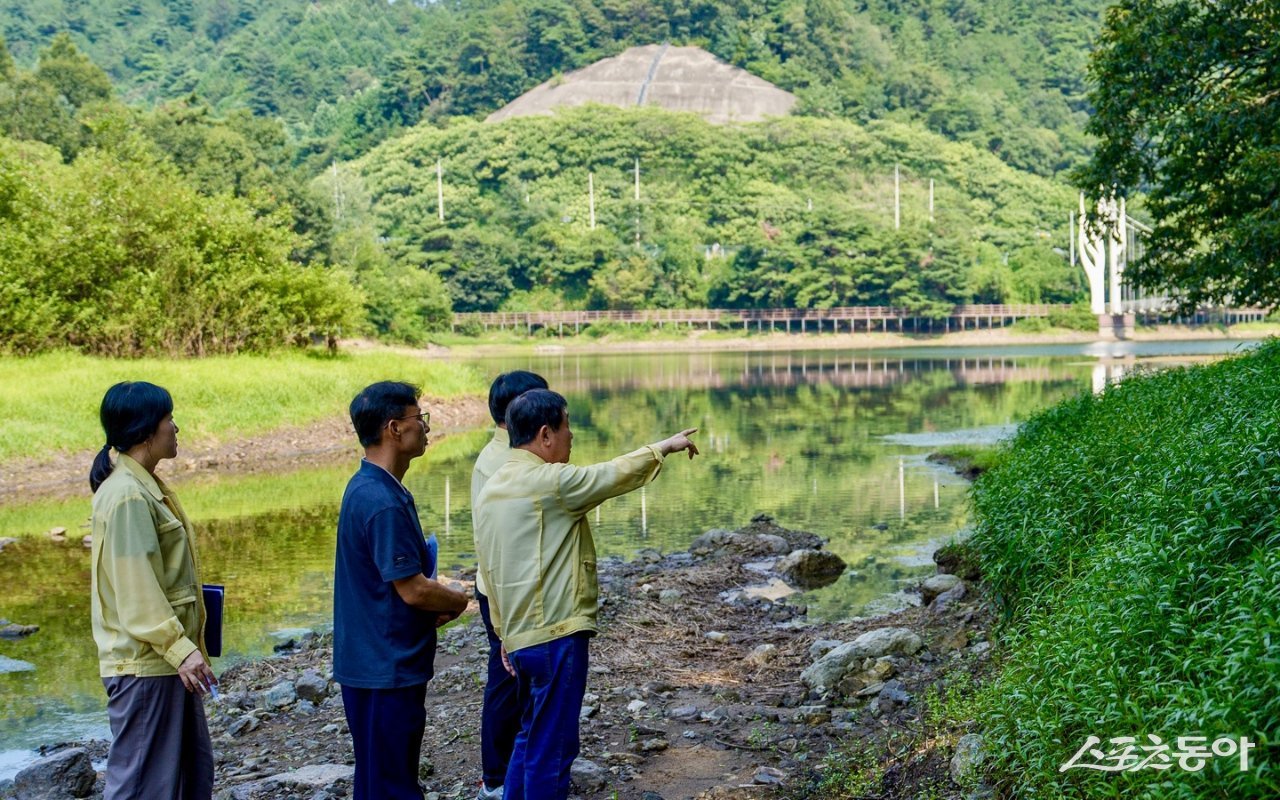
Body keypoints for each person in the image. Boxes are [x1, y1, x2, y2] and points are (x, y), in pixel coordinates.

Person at [474, 389, 699, 800]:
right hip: (555, 634)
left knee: (530, 734)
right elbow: (609, 475)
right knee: (553, 748)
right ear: (545, 434)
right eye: (566, 426)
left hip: (520, 638)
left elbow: (490, 571)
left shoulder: (494, 487)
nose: (572, 436)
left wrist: (502, 633)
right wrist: (663, 447)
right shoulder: (550, 482)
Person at [334, 381, 470, 800]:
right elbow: (412, 590)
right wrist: (461, 599)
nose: (425, 429)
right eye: (419, 420)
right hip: (383, 666)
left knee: (378, 776)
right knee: (391, 783)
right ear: (394, 428)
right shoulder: (381, 499)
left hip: (377, 660)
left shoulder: (378, 486)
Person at [89, 381, 216, 800]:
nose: (175, 427)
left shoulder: (144, 486)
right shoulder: (127, 494)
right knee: (143, 786)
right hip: (147, 665)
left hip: (164, 663)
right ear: (146, 431)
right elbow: (136, 591)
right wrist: (181, 649)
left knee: (187, 778)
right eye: (168, 419)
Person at [470, 371, 549, 800]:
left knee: (510, 678)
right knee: (506, 679)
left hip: (501, 582)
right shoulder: (504, 461)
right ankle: (497, 777)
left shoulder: (507, 453)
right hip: (503, 586)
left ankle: (505, 773)